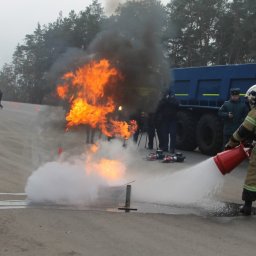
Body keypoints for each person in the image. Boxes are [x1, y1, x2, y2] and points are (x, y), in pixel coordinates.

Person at [225, 84, 256, 215]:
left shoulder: (254, 112)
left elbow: (243, 130)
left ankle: (247, 206)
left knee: (252, 176)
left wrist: (231, 143)